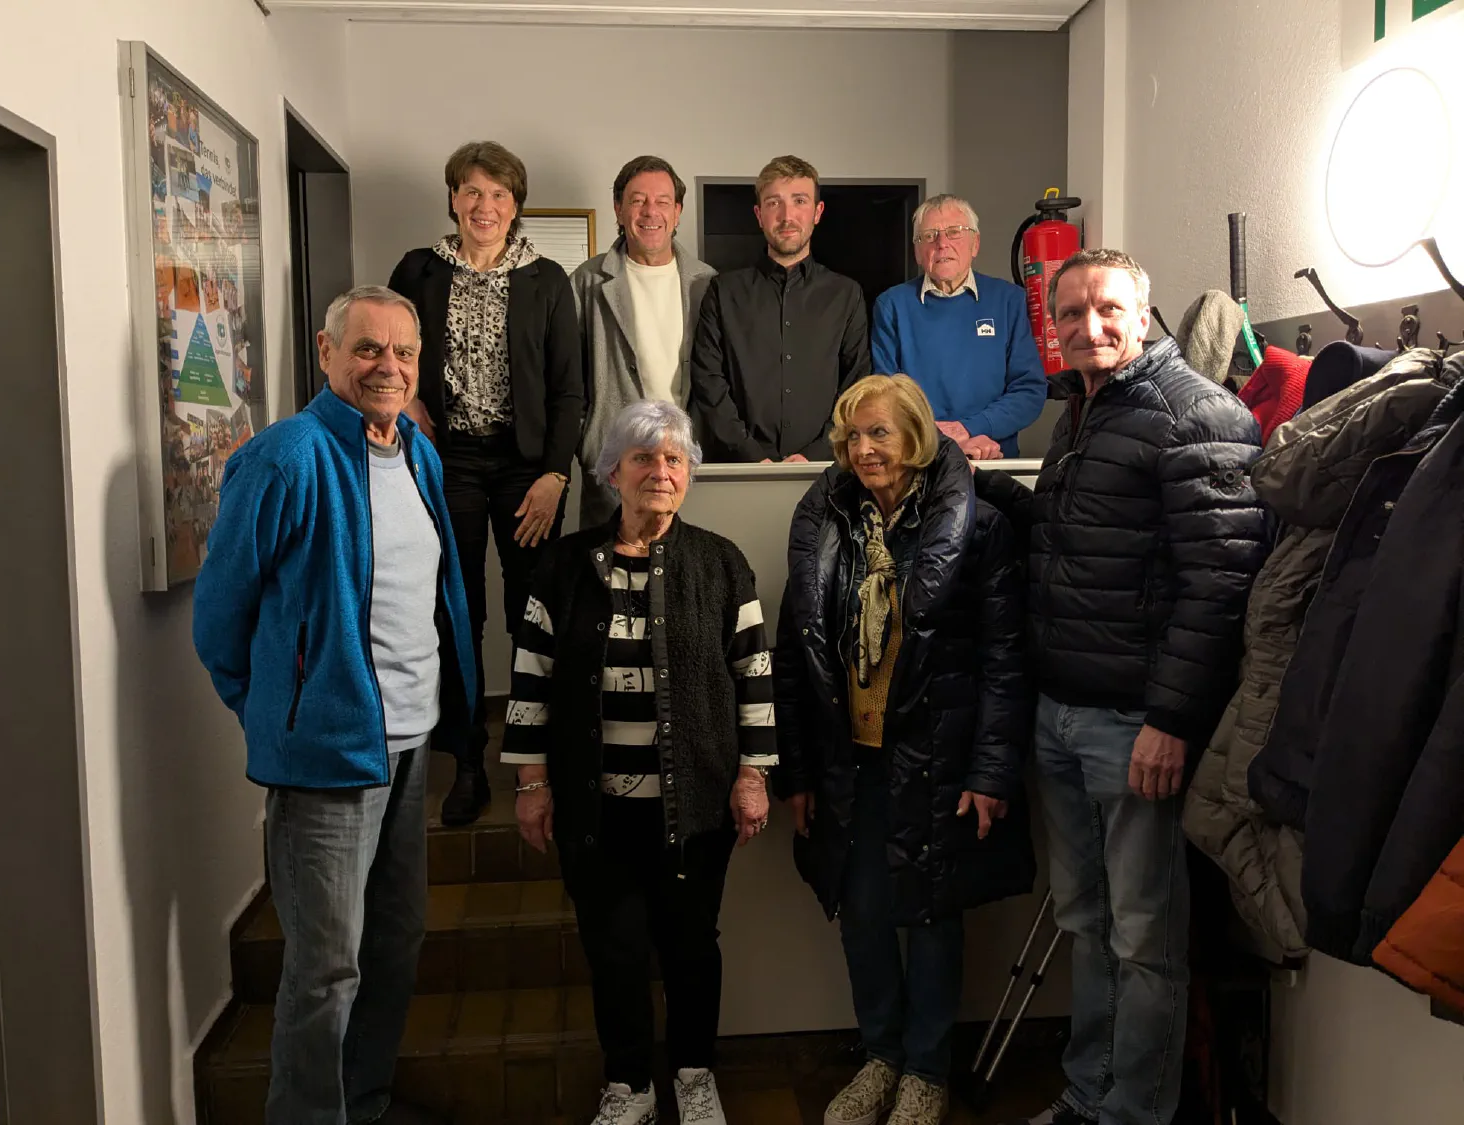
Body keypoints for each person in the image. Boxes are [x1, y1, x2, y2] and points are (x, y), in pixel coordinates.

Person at [193, 285, 476, 1125]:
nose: (388, 366)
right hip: (329, 757)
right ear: (326, 352)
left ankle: (368, 1103)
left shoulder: (419, 454)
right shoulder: (284, 457)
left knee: (393, 943)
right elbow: (220, 617)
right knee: (325, 971)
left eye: (403, 352)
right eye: (368, 348)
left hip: (410, 743)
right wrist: (284, 711)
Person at [1016, 249, 1266, 1125]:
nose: (1090, 325)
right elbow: (1083, 547)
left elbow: (1222, 583)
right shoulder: (1080, 412)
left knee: (1145, 937)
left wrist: (1172, 719)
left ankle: (1134, 1112)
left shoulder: (1195, 412)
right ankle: (1088, 1095)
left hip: (1134, 726)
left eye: (1108, 308)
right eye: (1072, 312)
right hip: (1061, 713)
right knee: (1085, 921)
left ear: (1143, 311)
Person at [501, 400, 775, 1125]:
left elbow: (753, 676)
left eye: (674, 459)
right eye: (643, 458)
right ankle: (629, 1084)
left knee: (692, 947)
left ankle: (693, 1073)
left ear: (689, 474)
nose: (661, 471)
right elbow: (530, 677)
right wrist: (531, 782)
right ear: (612, 473)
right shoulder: (564, 567)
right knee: (614, 948)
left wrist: (753, 775)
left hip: (697, 807)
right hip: (597, 812)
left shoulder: (721, 563)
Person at [775, 374, 1036, 1125]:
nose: (863, 449)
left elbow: (1006, 661)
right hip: (850, 758)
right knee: (861, 912)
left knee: (931, 914)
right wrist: (797, 771)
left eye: (879, 433)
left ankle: (926, 1071)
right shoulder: (827, 521)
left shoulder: (980, 527)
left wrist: (991, 771)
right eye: (853, 435)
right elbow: (795, 657)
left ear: (916, 437)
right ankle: (881, 1056)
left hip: (941, 758)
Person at [388, 140, 584, 827]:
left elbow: (569, 391)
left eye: (499, 194)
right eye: (472, 191)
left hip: (528, 468)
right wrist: (408, 400)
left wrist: (556, 474)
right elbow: (388, 349)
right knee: (456, 609)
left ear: (515, 205)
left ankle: (536, 760)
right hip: (450, 463)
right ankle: (467, 760)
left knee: (533, 612)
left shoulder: (547, 280)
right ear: (453, 198)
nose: (484, 205)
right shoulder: (418, 271)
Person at [689, 155, 869, 462]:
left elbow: (856, 386)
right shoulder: (722, 292)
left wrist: (817, 453)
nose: (787, 216)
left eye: (799, 201)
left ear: (817, 212)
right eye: (774, 203)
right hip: (739, 469)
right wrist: (751, 455)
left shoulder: (846, 295)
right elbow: (708, 381)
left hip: (825, 468)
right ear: (759, 214)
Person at [573, 155, 717, 526]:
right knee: (610, 560)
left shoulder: (707, 283)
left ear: (678, 211)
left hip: (686, 466)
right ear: (618, 209)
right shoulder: (587, 281)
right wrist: (590, 443)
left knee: (689, 560)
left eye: (662, 201)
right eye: (638, 201)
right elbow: (566, 380)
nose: (650, 211)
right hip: (614, 469)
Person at [871, 194, 1046, 459]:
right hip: (920, 459)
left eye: (954, 232)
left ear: (975, 243)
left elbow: (1029, 390)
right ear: (917, 251)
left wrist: (969, 428)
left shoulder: (1009, 301)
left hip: (992, 458)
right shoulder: (892, 305)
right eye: (929, 236)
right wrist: (938, 441)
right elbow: (885, 396)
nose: (942, 244)